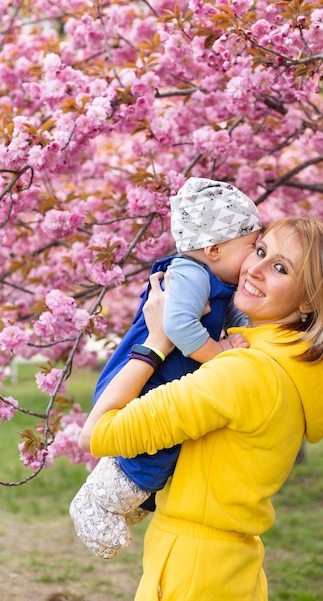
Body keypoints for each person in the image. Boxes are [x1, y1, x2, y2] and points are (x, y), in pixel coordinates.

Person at [79, 216, 323, 601]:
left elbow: (97, 432)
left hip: (193, 574)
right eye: (260, 250)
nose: (253, 269)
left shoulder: (244, 372)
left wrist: (156, 342)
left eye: (279, 267)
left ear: (309, 300)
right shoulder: (283, 369)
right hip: (231, 566)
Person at [70, 177, 262, 559]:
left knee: (159, 451)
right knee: (147, 450)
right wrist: (219, 350)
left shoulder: (213, 275)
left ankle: (122, 502)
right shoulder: (191, 273)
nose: (254, 259)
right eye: (252, 247)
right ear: (215, 247)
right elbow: (175, 326)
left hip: (165, 373)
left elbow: (238, 315)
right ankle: (96, 503)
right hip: (149, 373)